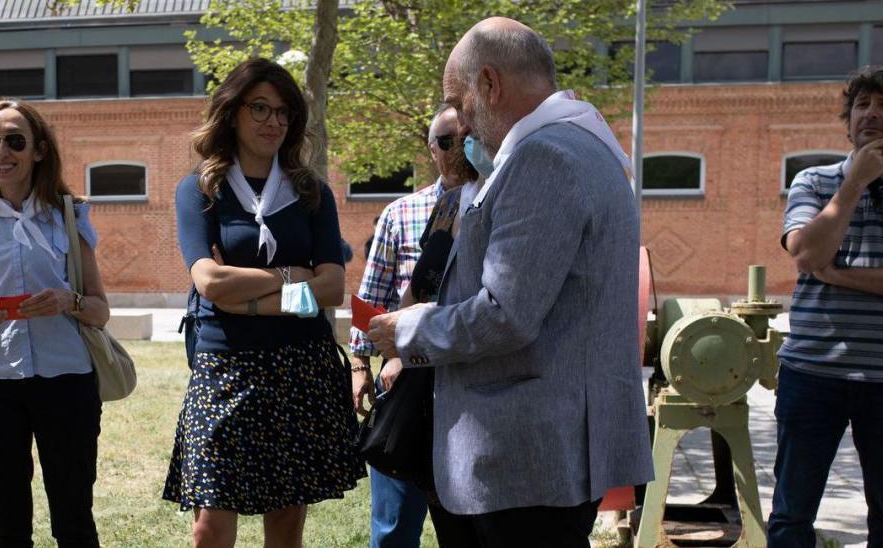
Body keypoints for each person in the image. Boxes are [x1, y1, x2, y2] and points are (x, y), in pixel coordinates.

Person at [366, 18, 654, 546]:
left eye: (460, 99)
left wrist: (410, 332)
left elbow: (506, 313)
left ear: (490, 84)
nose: (463, 123)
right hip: (546, 450)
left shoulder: (542, 157)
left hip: (525, 455)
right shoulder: (587, 146)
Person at [163, 57, 363, 548]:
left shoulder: (311, 191)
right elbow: (208, 281)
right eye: (260, 109)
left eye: (283, 112)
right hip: (223, 365)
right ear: (232, 113)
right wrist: (289, 277)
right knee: (210, 522)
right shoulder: (199, 190)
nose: (274, 121)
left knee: (286, 521)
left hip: (300, 366)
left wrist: (249, 299)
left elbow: (332, 288)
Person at [770, 66, 883, 548]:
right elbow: (808, 254)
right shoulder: (813, 180)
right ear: (848, 120)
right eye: (862, 105)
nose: (871, 113)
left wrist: (841, 276)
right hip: (812, 373)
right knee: (792, 515)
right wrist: (852, 185)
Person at [0, 99, 111, 547]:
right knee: (7, 528)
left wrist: (67, 300)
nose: (1, 152)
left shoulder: (69, 214)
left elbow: (100, 310)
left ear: (39, 150)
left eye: (15, 141)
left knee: (74, 522)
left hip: (66, 381)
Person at [349, 106, 478, 548]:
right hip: (403, 384)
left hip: (466, 384)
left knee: (464, 521)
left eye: (463, 138)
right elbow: (371, 299)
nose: (456, 150)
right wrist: (360, 366)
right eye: (445, 141)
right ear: (430, 149)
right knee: (394, 527)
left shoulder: (497, 204)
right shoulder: (402, 213)